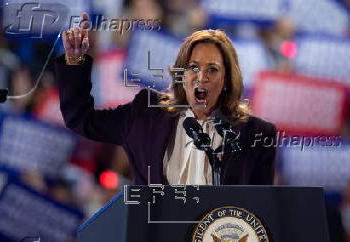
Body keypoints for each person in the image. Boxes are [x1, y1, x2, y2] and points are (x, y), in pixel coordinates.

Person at [54, 13, 276, 185]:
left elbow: (257, 210)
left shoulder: (257, 135)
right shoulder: (145, 114)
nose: (202, 77)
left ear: (228, 79)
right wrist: (75, 63)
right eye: (193, 67)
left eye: (213, 69)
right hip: (153, 239)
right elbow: (82, 120)